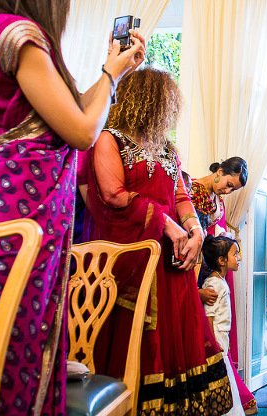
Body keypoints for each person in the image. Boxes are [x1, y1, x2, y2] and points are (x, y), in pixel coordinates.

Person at [0, 0, 145, 413]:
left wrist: (108, 74)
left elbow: (69, 114)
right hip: (16, 236)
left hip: (11, 228)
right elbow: (81, 129)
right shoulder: (19, 35)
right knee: (13, 363)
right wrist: (111, 74)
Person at [87, 66, 232, 414]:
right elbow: (112, 194)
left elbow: (181, 196)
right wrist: (166, 223)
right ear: (146, 101)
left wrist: (196, 230)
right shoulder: (110, 138)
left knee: (178, 339)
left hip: (173, 258)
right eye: (166, 102)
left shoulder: (167, 148)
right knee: (139, 336)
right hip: (134, 256)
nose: (171, 110)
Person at [191, 157, 256, 414]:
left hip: (210, 270)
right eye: (229, 184)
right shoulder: (193, 190)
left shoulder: (218, 201)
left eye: (233, 190)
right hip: (195, 268)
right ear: (219, 172)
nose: (227, 191)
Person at [201, 235, 248, 416]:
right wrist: (212, 343)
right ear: (221, 260)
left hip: (222, 337)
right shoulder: (214, 284)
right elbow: (209, 317)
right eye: (235, 254)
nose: (239, 258)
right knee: (222, 377)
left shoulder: (220, 282)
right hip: (217, 338)